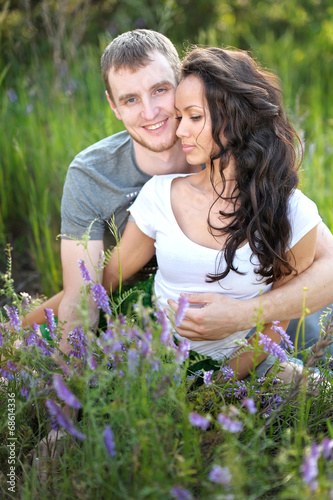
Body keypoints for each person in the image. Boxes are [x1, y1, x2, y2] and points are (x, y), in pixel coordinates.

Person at [21, 29, 333, 358]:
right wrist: (21, 327)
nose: (151, 111)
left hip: (259, 305)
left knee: (306, 364)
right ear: (114, 106)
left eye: (160, 90)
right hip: (152, 316)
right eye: (130, 99)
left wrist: (244, 316)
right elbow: (87, 290)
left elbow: (325, 263)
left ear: (182, 84)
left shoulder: (227, 155)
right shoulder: (93, 175)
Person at [102, 46, 322, 380]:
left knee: (308, 387)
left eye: (194, 117)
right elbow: (105, 279)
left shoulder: (292, 212)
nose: (179, 131)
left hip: (241, 365)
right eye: (179, 117)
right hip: (151, 359)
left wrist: (216, 390)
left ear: (235, 118)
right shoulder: (162, 194)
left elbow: (277, 321)